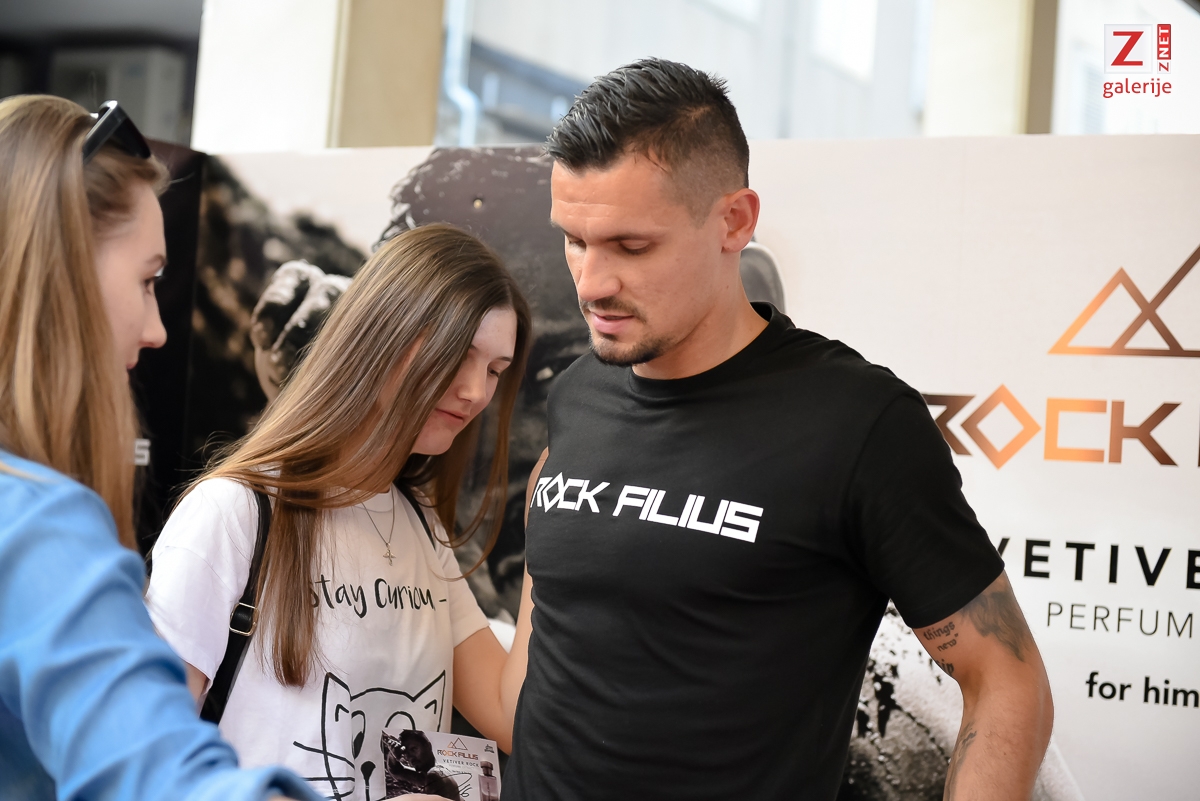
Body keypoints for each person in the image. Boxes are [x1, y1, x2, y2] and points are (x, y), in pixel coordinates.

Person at [505, 59, 1054, 800]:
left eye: (632, 247)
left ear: (734, 221)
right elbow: (545, 675)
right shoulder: (577, 394)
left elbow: (1006, 678)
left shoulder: (856, 423)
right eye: (574, 239)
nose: (593, 281)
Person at [145, 224, 531, 801]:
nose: (476, 391)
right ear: (381, 336)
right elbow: (147, 769)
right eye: (458, 355)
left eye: (496, 370)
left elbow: (512, 715)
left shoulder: (420, 525)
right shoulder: (232, 514)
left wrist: (553, 541)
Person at [0, 94, 316, 801]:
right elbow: (165, 781)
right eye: (146, 281)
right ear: (58, 275)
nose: (157, 329)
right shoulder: (35, 526)